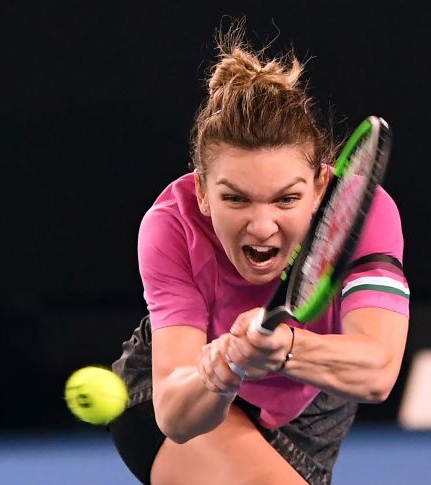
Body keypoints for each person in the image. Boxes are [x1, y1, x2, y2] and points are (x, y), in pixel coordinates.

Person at [110, 20, 410, 485]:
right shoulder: (172, 226)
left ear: (320, 187)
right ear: (203, 191)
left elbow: (378, 371)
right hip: (174, 403)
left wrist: (283, 347)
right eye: (236, 199)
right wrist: (222, 370)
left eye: (286, 199)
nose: (262, 225)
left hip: (309, 423)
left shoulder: (362, 211)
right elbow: (174, 414)